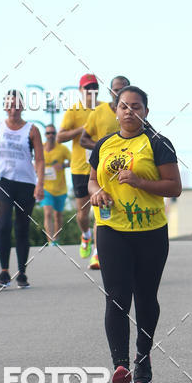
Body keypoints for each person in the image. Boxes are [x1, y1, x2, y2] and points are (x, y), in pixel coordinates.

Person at [88, 86, 182, 383]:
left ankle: (143, 354)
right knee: (116, 296)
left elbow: (174, 187)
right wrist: (96, 193)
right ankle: (121, 365)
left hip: (150, 231)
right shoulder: (103, 145)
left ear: (145, 112)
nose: (130, 111)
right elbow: (91, 181)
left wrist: (140, 181)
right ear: (115, 111)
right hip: (111, 229)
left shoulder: (157, 143)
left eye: (136, 106)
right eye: (124, 106)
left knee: (145, 297)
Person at [0, 91, 44, 289]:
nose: (14, 109)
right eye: (10, 105)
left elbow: (40, 160)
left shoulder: (32, 130)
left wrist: (40, 184)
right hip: (3, 182)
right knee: (4, 225)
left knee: (22, 228)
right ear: (5, 107)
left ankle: (22, 272)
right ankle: (4, 271)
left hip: (26, 183)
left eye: (17, 106)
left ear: (23, 107)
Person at [80, 75, 129, 269]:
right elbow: (84, 139)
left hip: (128, 170)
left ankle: (124, 252)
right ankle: (97, 254)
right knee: (103, 208)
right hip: (104, 169)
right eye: (116, 89)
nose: (119, 92)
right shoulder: (99, 112)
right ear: (110, 91)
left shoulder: (133, 112)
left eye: (124, 88)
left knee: (124, 209)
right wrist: (103, 149)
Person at [56, 74, 98, 260]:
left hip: (100, 168)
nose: (91, 91)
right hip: (80, 168)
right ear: (80, 90)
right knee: (82, 214)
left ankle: (98, 252)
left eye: (94, 87)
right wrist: (83, 129)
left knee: (101, 211)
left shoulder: (105, 110)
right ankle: (86, 235)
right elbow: (60, 137)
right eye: (87, 88)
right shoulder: (74, 111)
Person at [42, 124, 70, 245]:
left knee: (58, 215)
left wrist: (63, 165)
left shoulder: (62, 149)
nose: (51, 135)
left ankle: (56, 238)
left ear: (56, 134)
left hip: (60, 188)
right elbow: (33, 160)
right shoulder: (40, 148)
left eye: (53, 133)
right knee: (48, 213)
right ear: (45, 135)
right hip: (45, 187)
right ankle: (50, 241)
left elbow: (73, 160)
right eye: (48, 133)